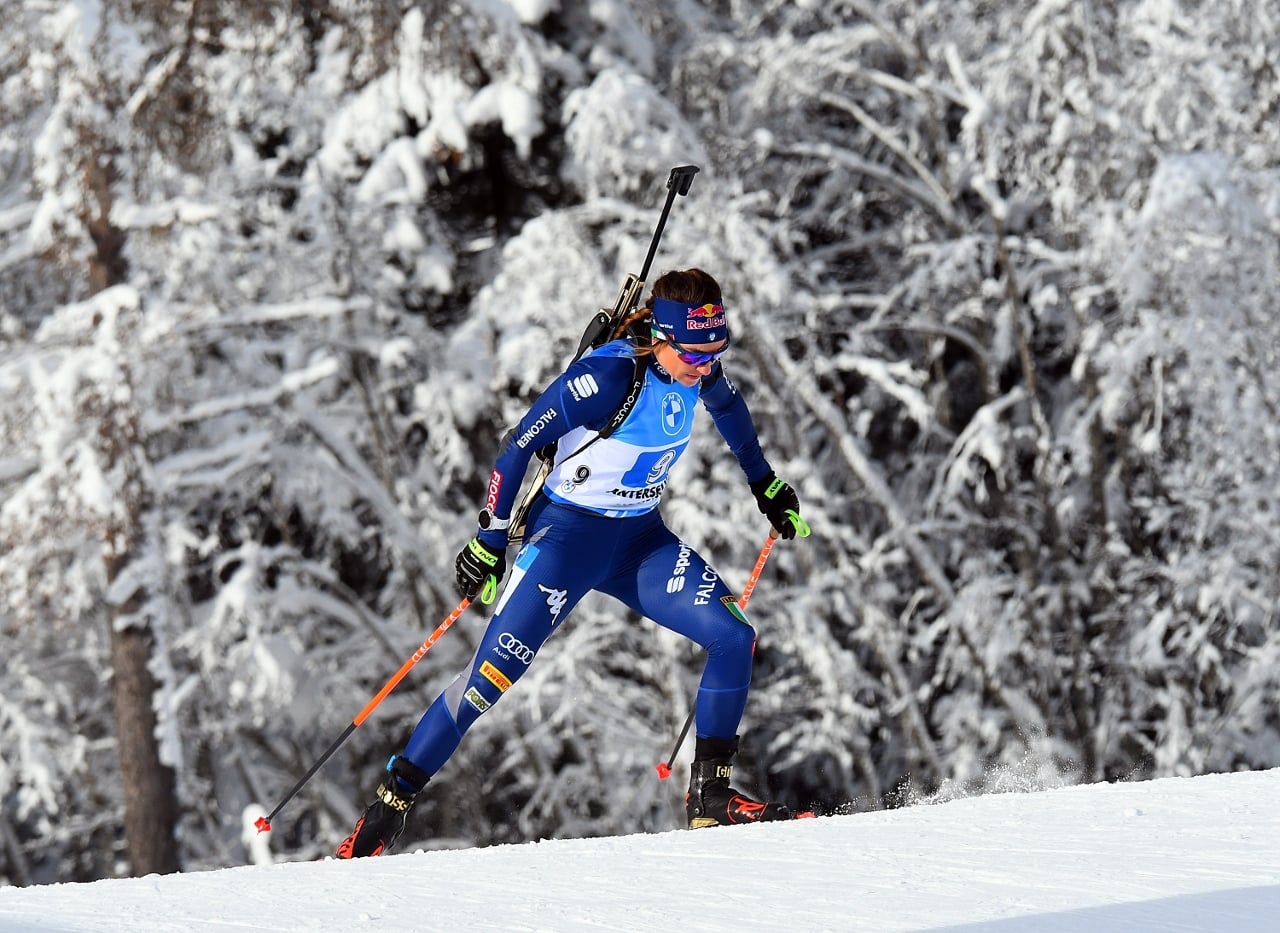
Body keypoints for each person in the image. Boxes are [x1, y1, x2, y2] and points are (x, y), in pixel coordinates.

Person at [337, 268, 806, 858]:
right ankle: (384, 813)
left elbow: (732, 413)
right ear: (661, 336)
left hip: (639, 544)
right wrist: (489, 538)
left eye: (717, 350)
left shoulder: (696, 370)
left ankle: (710, 799)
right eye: (694, 352)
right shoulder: (608, 377)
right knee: (485, 684)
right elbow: (517, 446)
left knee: (733, 636)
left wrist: (765, 485)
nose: (706, 365)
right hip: (565, 543)